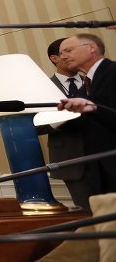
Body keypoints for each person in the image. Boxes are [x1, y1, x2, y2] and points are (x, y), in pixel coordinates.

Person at [56, 33, 116, 209]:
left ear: (91, 48)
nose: (62, 57)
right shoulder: (84, 88)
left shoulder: (113, 72)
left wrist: (95, 110)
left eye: (68, 50)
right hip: (98, 170)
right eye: (60, 54)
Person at [37, 38, 89, 208]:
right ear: (55, 58)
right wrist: (66, 115)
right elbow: (36, 126)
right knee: (89, 213)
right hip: (70, 160)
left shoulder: (95, 81)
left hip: (106, 156)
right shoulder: (42, 87)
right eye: (68, 51)